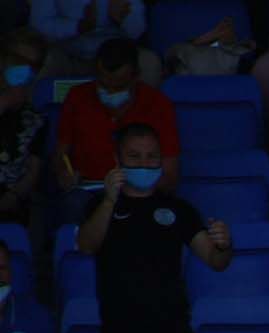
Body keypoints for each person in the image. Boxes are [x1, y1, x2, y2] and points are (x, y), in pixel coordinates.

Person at [76, 122, 231, 333]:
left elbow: (216, 260)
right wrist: (109, 200)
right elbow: (87, 245)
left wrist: (224, 244)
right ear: (117, 160)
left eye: (151, 157)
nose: (144, 165)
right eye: (134, 157)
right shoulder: (97, 207)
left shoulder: (178, 209)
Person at [53, 37, 178, 226]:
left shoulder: (158, 105)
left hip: (139, 192)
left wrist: (137, 186)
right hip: (88, 192)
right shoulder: (77, 97)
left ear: (135, 77)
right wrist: (64, 173)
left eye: (118, 86)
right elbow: (60, 154)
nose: (110, 91)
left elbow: (170, 175)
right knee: (72, 204)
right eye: (103, 85)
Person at [31, 0, 162, 84]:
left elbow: (137, 32)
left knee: (149, 63)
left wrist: (123, 18)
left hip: (114, 56)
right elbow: (39, 25)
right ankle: (34, 123)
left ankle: (137, 124)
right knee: (38, 62)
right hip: (68, 54)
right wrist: (77, 27)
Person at [0, 28, 48, 228]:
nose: (25, 69)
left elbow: (33, 172)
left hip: (12, 201)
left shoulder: (36, 121)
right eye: (19, 61)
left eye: (32, 65)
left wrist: (14, 195)